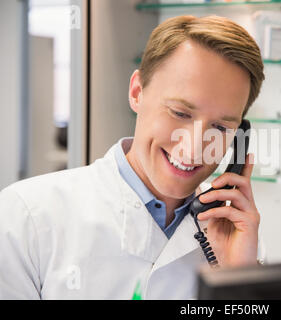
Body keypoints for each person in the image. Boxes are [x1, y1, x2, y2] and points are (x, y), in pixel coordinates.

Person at [0, 15, 266, 299]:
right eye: (180, 113)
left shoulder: (236, 238)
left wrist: (238, 283)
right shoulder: (26, 215)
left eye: (221, 127)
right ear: (137, 92)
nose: (193, 148)